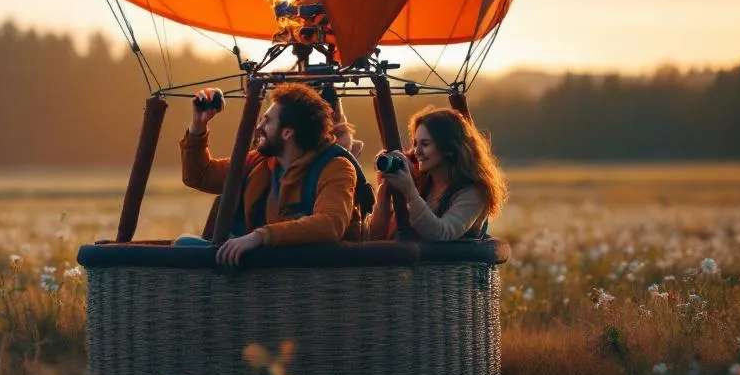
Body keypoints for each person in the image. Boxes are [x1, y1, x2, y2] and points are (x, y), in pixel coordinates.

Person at [178, 83, 374, 265]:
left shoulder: (336, 167)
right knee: (184, 244)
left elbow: (330, 223)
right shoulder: (259, 161)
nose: (258, 127)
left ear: (287, 133)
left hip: (312, 276)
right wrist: (198, 126)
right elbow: (199, 176)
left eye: (267, 121)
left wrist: (260, 236)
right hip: (261, 272)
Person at [367, 107, 507, 241]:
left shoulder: (474, 192)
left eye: (425, 144)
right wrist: (386, 189)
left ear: (449, 148)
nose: (417, 151)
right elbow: (375, 237)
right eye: (415, 144)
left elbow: (442, 232)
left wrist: (410, 193)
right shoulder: (423, 182)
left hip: (450, 265)